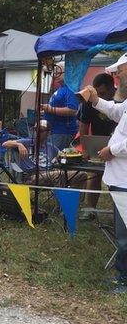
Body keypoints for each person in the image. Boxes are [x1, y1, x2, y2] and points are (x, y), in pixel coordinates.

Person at [83, 53, 127, 294]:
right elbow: (116, 111)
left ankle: (124, 279)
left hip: (125, 180)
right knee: (123, 231)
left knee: (125, 235)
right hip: (120, 179)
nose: (116, 76)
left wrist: (112, 149)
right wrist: (96, 100)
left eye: (120, 70)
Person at [78, 73, 119, 218]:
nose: (99, 96)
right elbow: (83, 125)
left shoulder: (121, 100)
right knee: (94, 175)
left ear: (111, 89)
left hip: (119, 146)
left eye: (102, 93)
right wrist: (85, 149)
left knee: (117, 179)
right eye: (97, 93)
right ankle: (90, 210)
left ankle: (119, 213)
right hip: (98, 144)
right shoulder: (89, 99)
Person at [2, 120, 85, 188]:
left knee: (81, 175)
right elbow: (5, 144)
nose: (36, 132)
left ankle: (73, 202)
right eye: (35, 129)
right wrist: (18, 144)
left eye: (40, 130)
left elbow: (62, 157)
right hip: (32, 177)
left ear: (48, 133)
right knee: (59, 175)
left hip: (50, 174)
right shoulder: (27, 142)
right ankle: (61, 206)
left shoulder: (51, 147)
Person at [41, 62, 79, 150]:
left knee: (54, 160)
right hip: (54, 131)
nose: (55, 74)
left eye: (58, 72)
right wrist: (46, 110)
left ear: (68, 72)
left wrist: (50, 109)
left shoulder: (71, 88)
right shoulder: (61, 88)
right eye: (55, 72)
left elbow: (73, 110)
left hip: (63, 132)